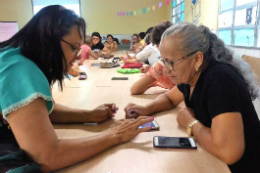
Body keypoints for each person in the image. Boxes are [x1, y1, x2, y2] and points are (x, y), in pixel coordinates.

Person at [0, 5, 153, 172]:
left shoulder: (16, 58)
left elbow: (35, 112)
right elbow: (48, 156)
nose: (79, 54)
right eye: (73, 47)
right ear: (48, 40)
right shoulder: (19, 68)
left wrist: (88, 115)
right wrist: (115, 135)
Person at [124, 23, 260, 173]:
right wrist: (146, 109)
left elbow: (228, 152)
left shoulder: (220, 80)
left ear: (197, 59)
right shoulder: (191, 76)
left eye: (171, 62)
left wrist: (191, 123)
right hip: (213, 159)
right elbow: (169, 99)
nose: (166, 69)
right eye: (163, 61)